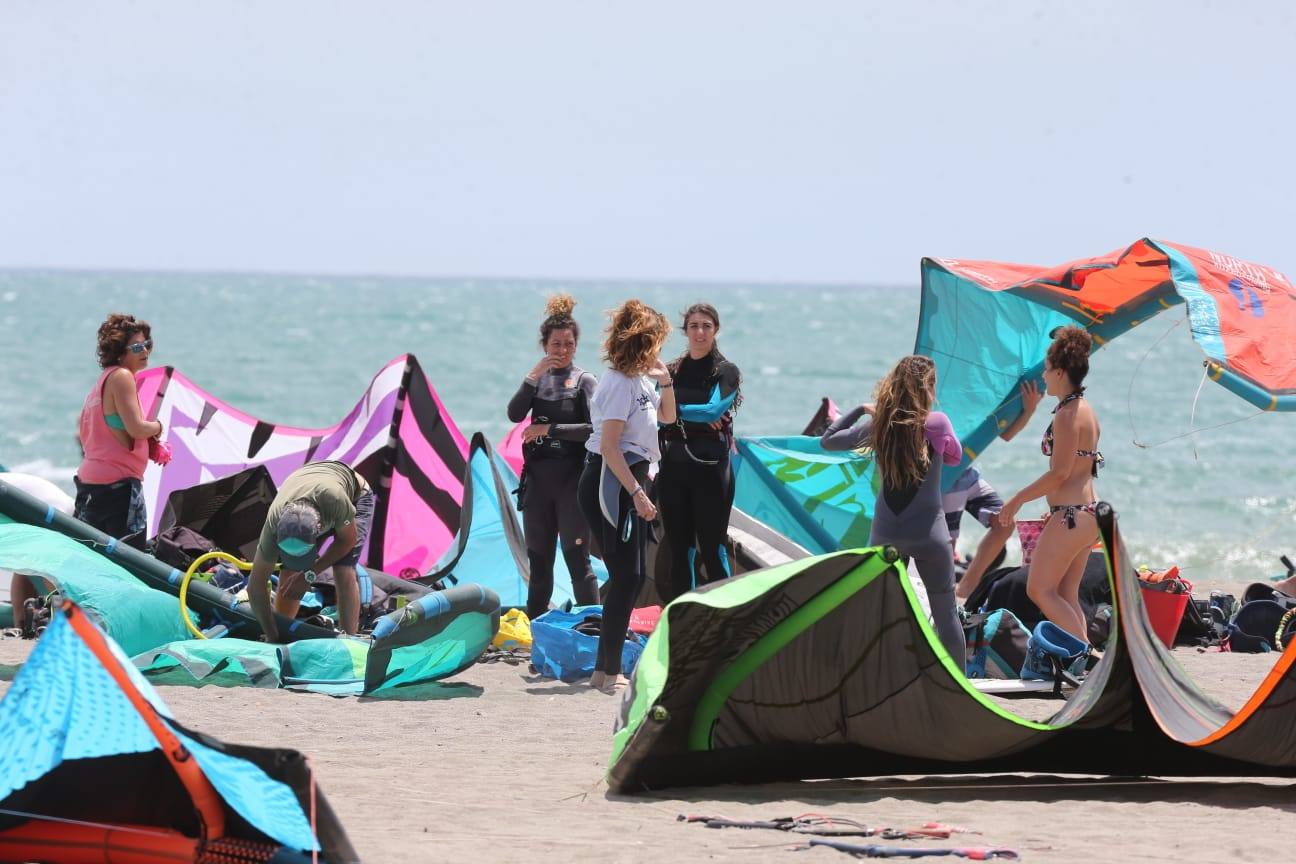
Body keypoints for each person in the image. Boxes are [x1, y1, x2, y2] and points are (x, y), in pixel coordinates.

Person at [820, 355, 966, 670]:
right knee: (946, 615)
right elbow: (956, 457)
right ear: (928, 388)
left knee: (881, 614)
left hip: (887, 536)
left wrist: (861, 410)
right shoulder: (937, 423)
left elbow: (828, 441)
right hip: (929, 535)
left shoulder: (879, 426)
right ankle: (959, 688)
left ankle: (878, 680)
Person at [577, 300, 675, 694]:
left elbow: (668, 418)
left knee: (628, 577)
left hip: (628, 479)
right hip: (610, 480)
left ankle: (603, 670)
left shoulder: (640, 381)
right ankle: (609, 670)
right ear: (642, 342)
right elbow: (610, 447)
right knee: (627, 576)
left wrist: (666, 381)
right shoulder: (618, 382)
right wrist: (637, 493)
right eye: (657, 342)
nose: (659, 350)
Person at [995, 326, 1103, 642]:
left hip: (1071, 515)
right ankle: (1085, 658)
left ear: (1059, 372)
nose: (1043, 375)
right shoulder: (1085, 410)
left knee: (1040, 590)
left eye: (1046, 369)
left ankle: (1085, 656)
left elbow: (1060, 473)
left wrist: (1017, 499)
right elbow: (1080, 469)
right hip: (1086, 514)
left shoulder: (1067, 414)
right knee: (1066, 595)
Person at [506, 293, 600, 619]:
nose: (562, 350)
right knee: (540, 563)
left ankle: (594, 628)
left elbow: (594, 429)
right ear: (544, 345)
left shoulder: (585, 381)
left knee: (577, 561)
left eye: (568, 344)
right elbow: (514, 414)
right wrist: (532, 377)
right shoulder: (538, 381)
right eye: (556, 344)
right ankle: (536, 630)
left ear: (576, 345)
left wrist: (550, 429)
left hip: (572, 482)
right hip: (538, 483)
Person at [656, 302, 742, 601]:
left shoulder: (726, 371)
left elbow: (712, 411)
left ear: (716, 330)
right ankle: (682, 620)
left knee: (712, 549)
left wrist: (673, 412)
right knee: (680, 551)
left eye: (706, 326)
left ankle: (724, 618)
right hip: (674, 469)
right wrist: (675, 413)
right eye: (694, 326)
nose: (700, 332)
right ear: (685, 331)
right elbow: (653, 412)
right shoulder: (671, 371)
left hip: (711, 470)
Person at [247, 461, 376, 640]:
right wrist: (272, 634)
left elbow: (347, 541)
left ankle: (349, 640)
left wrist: (309, 574)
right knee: (290, 571)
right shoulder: (273, 523)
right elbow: (255, 587)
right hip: (307, 484)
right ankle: (284, 631)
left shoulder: (336, 501)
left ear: (320, 528)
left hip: (354, 494)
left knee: (343, 569)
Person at [951, 381, 1044, 600]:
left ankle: (965, 588)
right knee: (946, 544)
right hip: (945, 479)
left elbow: (1005, 434)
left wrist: (1029, 410)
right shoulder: (948, 395)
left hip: (967, 475)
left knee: (1004, 522)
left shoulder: (980, 395)